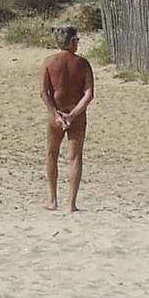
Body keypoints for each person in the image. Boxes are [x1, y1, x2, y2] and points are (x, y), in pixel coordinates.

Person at [39, 23, 94, 212]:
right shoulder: (82, 64)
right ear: (72, 42)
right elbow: (89, 94)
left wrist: (56, 114)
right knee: (75, 157)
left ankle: (53, 199)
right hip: (75, 115)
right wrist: (73, 114)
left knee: (51, 154)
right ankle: (71, 204)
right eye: (77, 40)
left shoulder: (49, 62)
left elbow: (44, 93)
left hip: (56, 115)